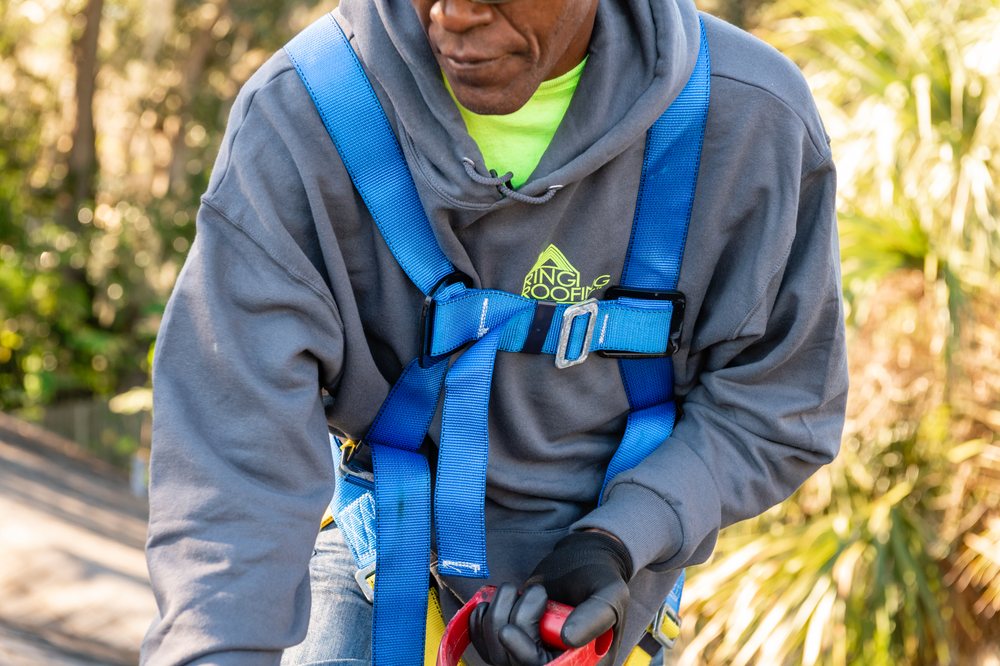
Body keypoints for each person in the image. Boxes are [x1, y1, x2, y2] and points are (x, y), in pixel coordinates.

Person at [141, 0, 848, 664]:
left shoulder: (750, 123)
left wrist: (623, 535)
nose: (454, 13)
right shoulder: (311, 115)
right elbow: (232, 458)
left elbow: (777, 402)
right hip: (382, 550)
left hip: (607, 585)